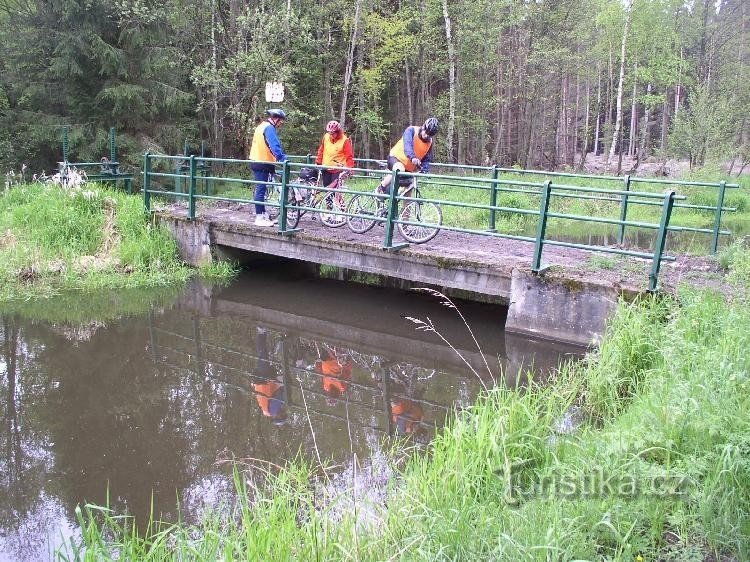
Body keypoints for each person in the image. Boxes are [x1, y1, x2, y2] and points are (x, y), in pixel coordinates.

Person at [377, 117, 439, 195]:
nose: (426, 136)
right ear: (423, 127)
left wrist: (425, 169)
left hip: (409, 167)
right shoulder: (411, 130)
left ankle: (407, 207)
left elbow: (426, 157)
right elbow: (407, 145)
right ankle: (381, 188)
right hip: (396, 158)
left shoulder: (429, 142)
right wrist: (413, 157)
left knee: (410, 186)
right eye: (426, 132)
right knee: (399, 169)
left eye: (429, 135)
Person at [248, 108, 287, 227]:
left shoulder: (261, 126)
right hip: (262, 162)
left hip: (257, 160)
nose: (281, 123)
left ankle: (263, 214)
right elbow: (274, 146)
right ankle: (259, 217)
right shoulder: (269, 128)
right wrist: (282, 158)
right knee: (261, 189)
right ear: (275, 119)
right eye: (281, 121)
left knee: (262, 189)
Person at [315, 120, 355, 188]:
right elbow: (321, 150)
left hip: (337, 169)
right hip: (326, 167)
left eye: (333, 133)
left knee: (335, 190)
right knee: (326, 188)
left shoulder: (345, 140)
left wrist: (350, 169)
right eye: (330, 133)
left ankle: (337, 198)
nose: (331, 135)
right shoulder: (326, 137)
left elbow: (349, 156)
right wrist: (318, 162)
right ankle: (328, 199)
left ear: (338, 132)